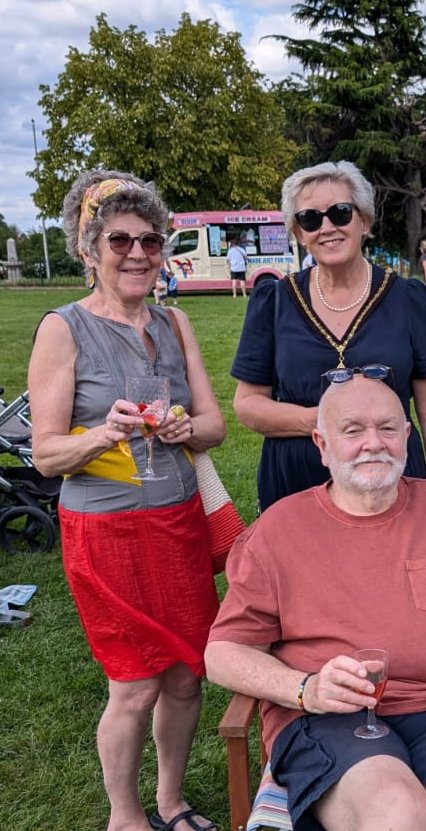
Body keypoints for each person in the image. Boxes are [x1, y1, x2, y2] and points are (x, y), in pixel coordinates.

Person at [206, 375, 426, 831]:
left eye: (387, 429)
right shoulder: (279, 529)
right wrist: (306, 689)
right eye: (353, 431)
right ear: (322, 444)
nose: (373, 443)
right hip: (330, 716)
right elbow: (223, 653)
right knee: (399, 814)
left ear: (406, 437)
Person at [27, 170, 226, 831]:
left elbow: (215, 426)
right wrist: (102, 434)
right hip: (106, 535)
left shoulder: (175, 322)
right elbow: (45, 453)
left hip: (179, 525)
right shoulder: (64, 329)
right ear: (90, 249)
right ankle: (126, 815)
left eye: (151, 240)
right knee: (136, 682)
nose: (138, 253)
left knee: (186, 675)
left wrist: (184, 429)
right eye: (120, 240)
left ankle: (171, 800)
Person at [231, 161, 426, 512]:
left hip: (393, 486)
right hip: (296, 490)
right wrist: (325, 422)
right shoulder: (273, 302)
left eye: (340, 212)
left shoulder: (409, 300)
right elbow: (247, 403)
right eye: (310, 219)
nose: (327, 227)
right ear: (298, 233)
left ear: (364, 221)